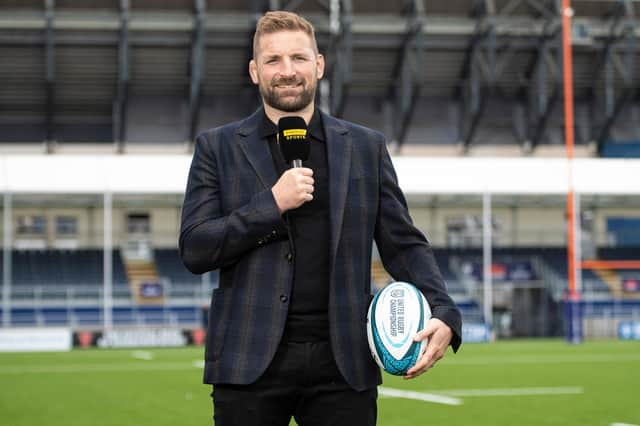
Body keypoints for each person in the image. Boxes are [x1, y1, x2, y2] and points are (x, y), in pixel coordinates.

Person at [179, 10, 461, 426]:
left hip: (343, 361)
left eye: (299, 58)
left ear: (319, 65)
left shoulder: (365, 147)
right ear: (255, 72)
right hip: (247, 358)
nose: (287, 71)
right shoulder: (217, 148)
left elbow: (403, 243)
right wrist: (270, 205)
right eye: (273, 60)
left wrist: (443, 309)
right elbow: (195, 248)